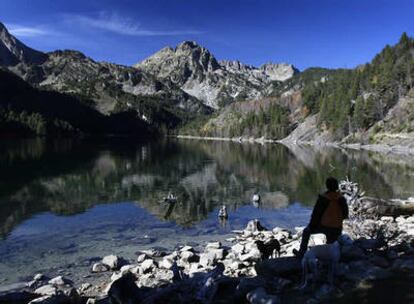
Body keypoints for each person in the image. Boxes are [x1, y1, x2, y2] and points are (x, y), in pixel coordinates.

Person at [293, 177, 349, 258]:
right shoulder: (342, 199)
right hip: (337, 229)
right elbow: (345, 214)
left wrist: (311, 226)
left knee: (306, 231)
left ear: (327, 186)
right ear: (336, 186)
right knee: (332, 246)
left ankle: (301, 253)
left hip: (324, 226)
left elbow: (315, 215)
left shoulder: (323, 198)